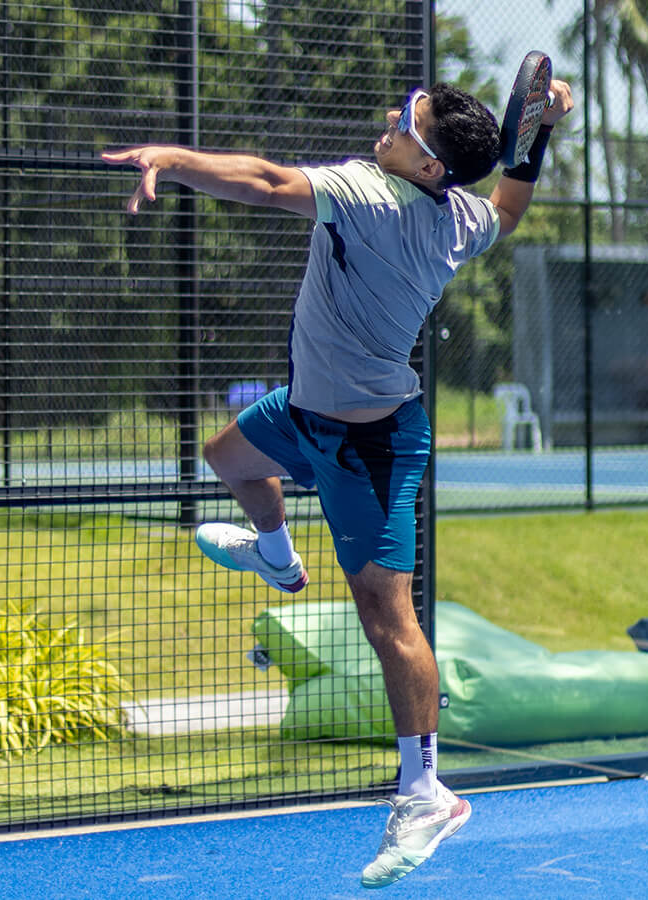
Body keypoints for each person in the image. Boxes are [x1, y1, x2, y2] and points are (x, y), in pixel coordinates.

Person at [103, 76, 574, 888]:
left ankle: (426, 794)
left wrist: (173, 160)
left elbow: (264, 182)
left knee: (387, 618)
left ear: (427, 166)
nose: (391, 120)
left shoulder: (368, 194)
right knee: (228, 458)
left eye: (406, 123)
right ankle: (277, 557)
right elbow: (508, 208)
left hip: (371, 443)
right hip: (307, 411)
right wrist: (537, 139)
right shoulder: (459, 217)